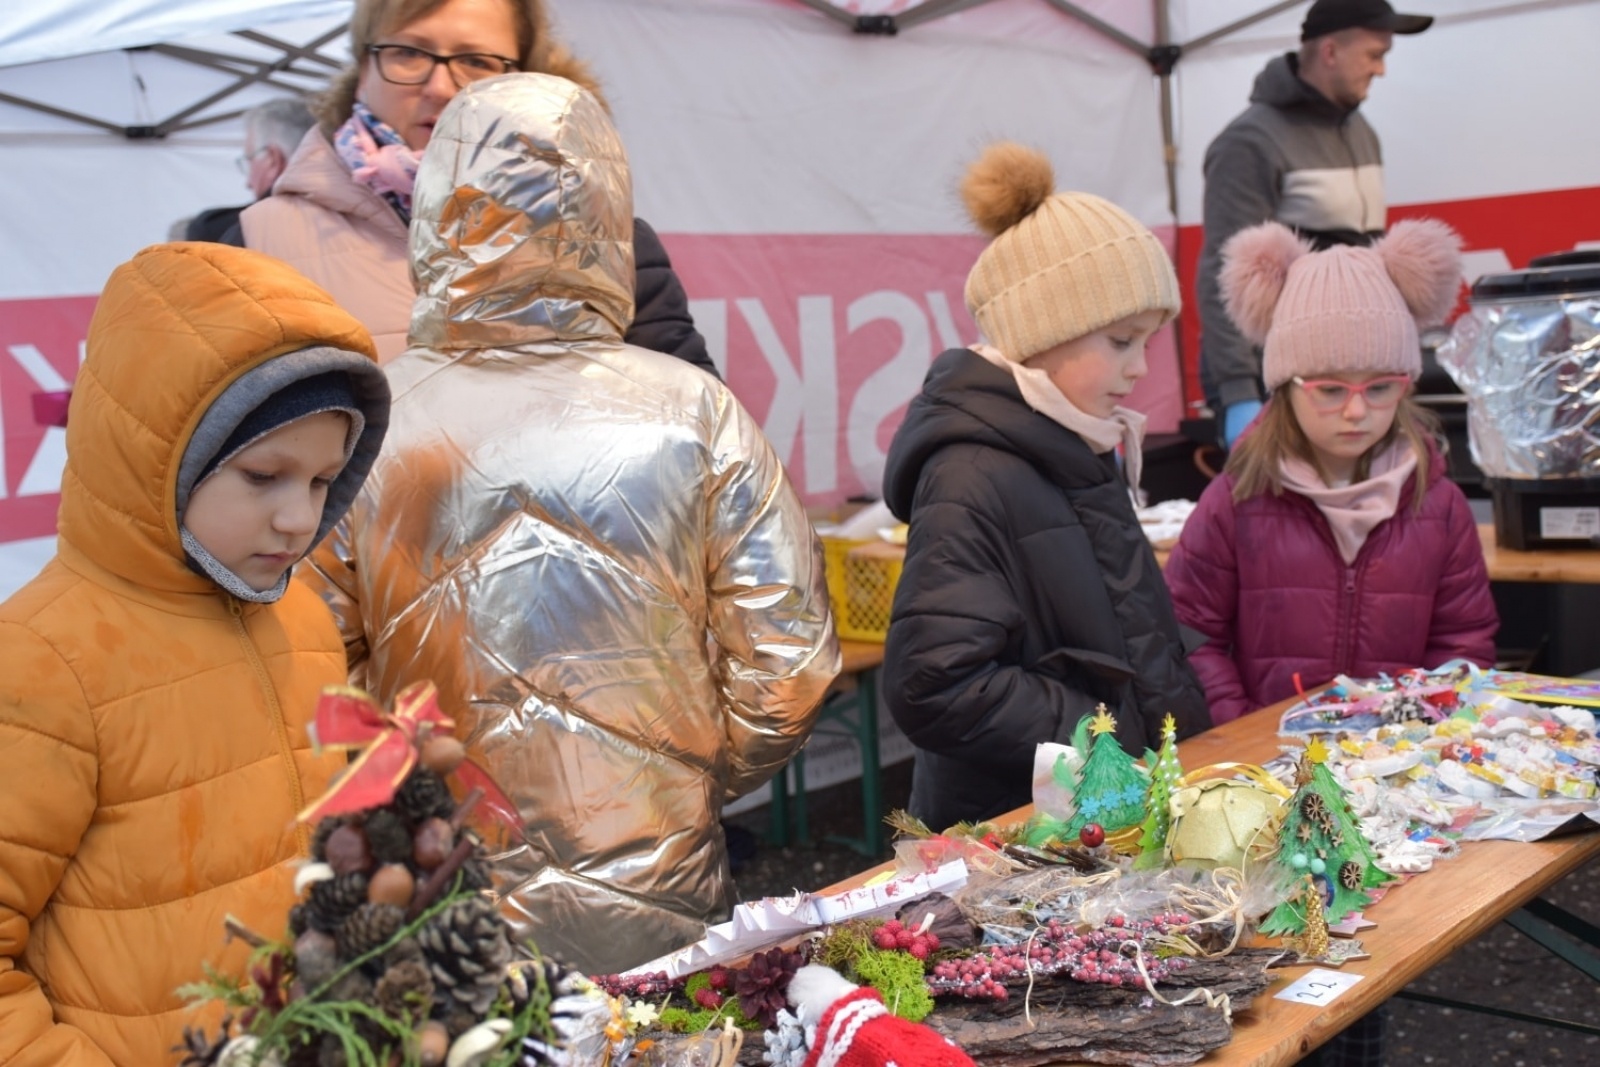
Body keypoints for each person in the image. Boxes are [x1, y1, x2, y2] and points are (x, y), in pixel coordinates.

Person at [302, 73, 840, 976]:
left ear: (438, 210)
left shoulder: (370, 422)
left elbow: (312, 671)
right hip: (661, 885)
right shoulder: (695, 410)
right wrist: (675, 779)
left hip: (437, 884)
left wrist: (407, 804)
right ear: (607, 211)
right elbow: (787, 663)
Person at [0, 242, 390, 1066]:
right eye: (263, 475)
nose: (297, 518)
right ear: (156, 460)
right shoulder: (40, 661)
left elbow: (345, 827)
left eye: (322, 482)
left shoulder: (306, 620)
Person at [879, 142, 1212, 833]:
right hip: (1016, 832)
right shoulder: (972, 472)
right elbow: (936, 682)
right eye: (1122, 340)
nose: (1140, 368)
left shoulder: (1078, 438)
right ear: (1042, 331)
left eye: (1148, 341)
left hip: (1099, 818)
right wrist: (1106, 736)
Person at [233, 0, 715, 374]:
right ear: (362, 71)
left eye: (476, 61)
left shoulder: (612, 243)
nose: (441, 87)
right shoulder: (254, 248)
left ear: (525, 76)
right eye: (406, 52)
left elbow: (691, 434)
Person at [1165, 218, 1497, 728]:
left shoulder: (1439, 505)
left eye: (1380, 387)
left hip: (1399, 765)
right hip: (1271, 766)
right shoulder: (1235, 500)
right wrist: (1246, 730)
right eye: (1330, 389)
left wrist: (1421, 734)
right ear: (1286, 386)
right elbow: (1189, 636)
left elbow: (1464, 644)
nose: (1356, 412)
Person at [1197, 0, 1433, 447]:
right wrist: (1238, 392)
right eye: (1374, 54)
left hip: (1350, 371)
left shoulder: (1363, 131)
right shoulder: (1249, 142)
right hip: (1281, 378)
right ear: (1330, 52)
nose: (1381, 70)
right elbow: (1223, 275)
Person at [184, 97, 318, 242]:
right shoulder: (341, 217)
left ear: (272, 160)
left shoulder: (220, 229)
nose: (248, 183)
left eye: (250, 159)